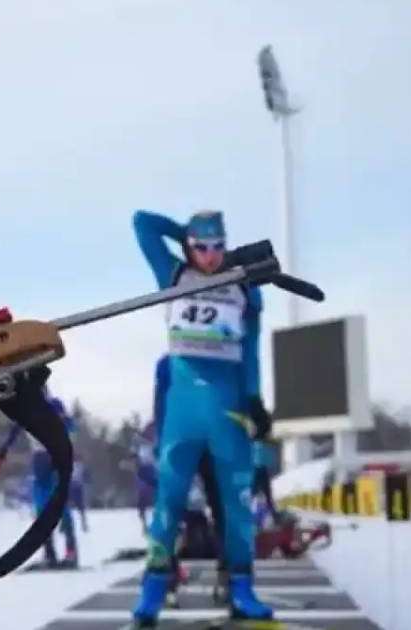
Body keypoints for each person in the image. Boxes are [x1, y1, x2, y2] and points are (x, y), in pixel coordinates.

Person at [129, 210, 273, 626]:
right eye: (201, 248)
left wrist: (255, 400)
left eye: (217, 248)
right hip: (183, 409)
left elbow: (252, 351)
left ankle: (242, 588)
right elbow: (142, 223)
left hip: (227, 406)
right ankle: (153, 591)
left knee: (237, 502)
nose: (209, 257)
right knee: (168, 502)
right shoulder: (174, 274)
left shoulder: (243, 286)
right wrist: (185, 240)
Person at [0, 394, 79, 568]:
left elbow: (71, 426)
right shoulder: (28, 409)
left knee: (57, 507)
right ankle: (52, 553)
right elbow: (15, 431)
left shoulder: (50, 405)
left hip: (53, 457)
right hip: (42, 460)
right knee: (43, 508)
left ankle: (69, 552)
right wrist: (2, 453)